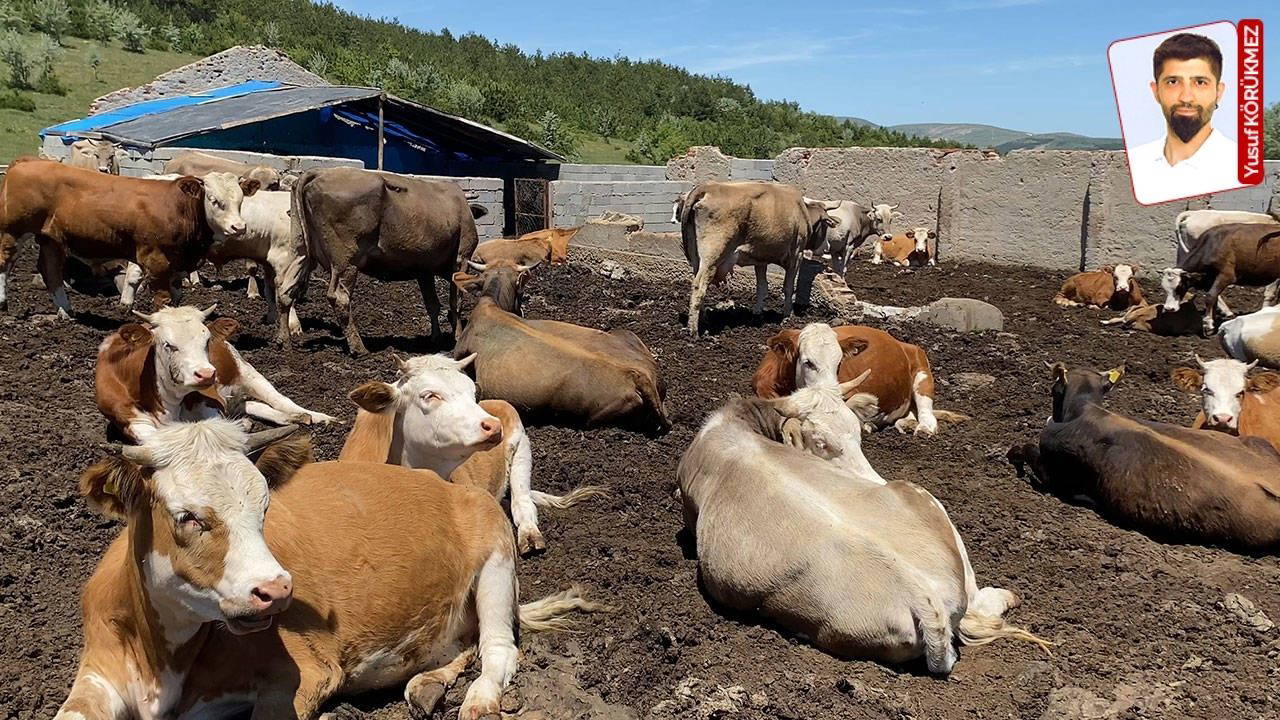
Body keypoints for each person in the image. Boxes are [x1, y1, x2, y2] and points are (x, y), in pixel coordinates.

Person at [1128, 32, 1240, 204]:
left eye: (1200, 82)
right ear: (1156, 91)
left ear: (1219, 92)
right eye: (1173, 82)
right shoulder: (1134, 164)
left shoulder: (1238, 165)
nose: (1186, 97)